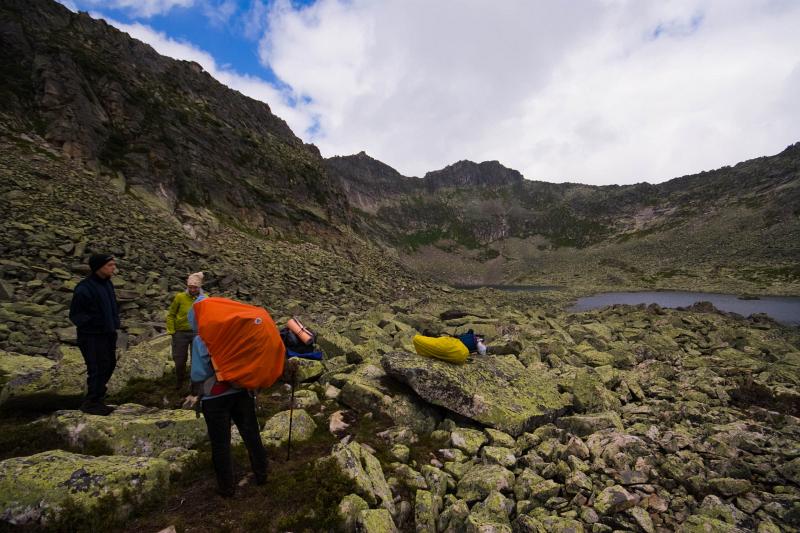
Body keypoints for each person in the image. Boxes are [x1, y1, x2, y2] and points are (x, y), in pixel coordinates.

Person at [188, 294, 268, 497]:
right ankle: (262, 474)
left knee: (220, 443)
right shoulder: (233, 332)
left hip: (215, 397)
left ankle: (226, 488)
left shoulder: (200, 339)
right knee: (251, 434)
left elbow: (198, 373)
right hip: (241, 390)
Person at [69, 253, 120, 416]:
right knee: (96, 368)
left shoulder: (107, 284)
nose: (113, 268)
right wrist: (95, 323)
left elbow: (112, 306)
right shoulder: (84, 288)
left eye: (113, 265)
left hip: (108, 334)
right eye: (110, 265)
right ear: (99, 267)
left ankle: (98, 399)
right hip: (91, 336)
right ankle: (92, 402)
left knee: (109, 364)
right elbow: (76, 315)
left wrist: (114, 323)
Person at [166, 272, 204, 390]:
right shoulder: (180, 297)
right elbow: (171, 314)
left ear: (199, 287)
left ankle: (195, 384)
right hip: (180, 333)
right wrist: (172, 331)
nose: (192, 289)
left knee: (196, 361)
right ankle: (179, 381)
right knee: (179, 359)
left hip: (197, 334)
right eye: (190, 287)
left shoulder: (204, 299)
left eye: (195, 287)